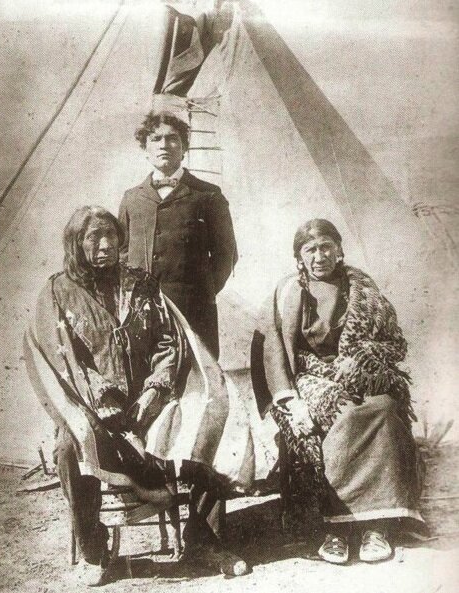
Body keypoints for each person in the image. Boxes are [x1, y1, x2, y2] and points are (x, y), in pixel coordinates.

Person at [24, 206, 249, 586]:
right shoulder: (56, 293)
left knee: (207, 416)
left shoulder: (141, 284)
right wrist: (103, 400)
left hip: (150, 401)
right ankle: (94, 549)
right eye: (94, 237)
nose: (105, 245)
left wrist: (155, 389)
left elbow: (167, 342)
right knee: (69, 447)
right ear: (76, 243)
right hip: (91, 406)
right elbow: (61, 359)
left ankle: (203, 539)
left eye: (111, 235)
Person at [251, 219, 423, 565]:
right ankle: (336, 529)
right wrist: (289, 399)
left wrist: (362, 358)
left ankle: (377, 527)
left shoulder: (363, 288)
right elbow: (271, 349)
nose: (320, 256)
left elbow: (393, 343)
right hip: (311, 378)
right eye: (311, 250)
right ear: (299, 257)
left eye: (326, 247)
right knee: (342, 413)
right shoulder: (287, 291)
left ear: (339, 249)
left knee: (384, 408)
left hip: (361, 373)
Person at [118, 110, 237, 360]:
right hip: (141, 315)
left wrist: (200, 294)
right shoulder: (132, 198)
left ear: (184, 149)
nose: (164, 145)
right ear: (145, 149)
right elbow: (123, 253)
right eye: (155, 139)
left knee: (196, 376)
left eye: (172, 138)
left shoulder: (208, 195)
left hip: (194, 313)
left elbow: (226, 255)